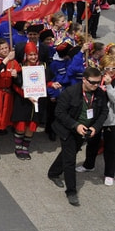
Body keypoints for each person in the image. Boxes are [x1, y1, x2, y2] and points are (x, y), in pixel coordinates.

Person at [47, 67, 107, 206]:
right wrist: (76, 125)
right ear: (84, 80)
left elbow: (104, 111)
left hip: (86, 130)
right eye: (93, 82)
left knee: (69, 152)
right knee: (70, 160)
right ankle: (71, 192)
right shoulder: (70, 92)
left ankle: (53, 172)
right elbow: (60, 113)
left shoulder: (99, 93)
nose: (96, 85)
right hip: (68, 130)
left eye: (98, 82)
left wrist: (95, 127)